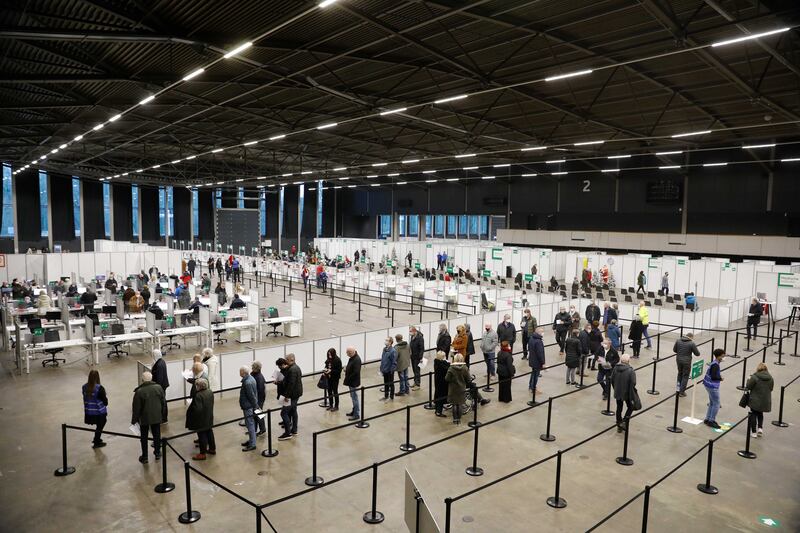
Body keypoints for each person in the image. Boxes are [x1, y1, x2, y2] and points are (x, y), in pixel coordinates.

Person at [131, 371, 166, 464]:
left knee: (144, 437)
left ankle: (145, 456)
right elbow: (163, 403)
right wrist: (162, 415)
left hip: (144, 418)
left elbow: (136, 408)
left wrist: (134, 421)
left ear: (142, 380)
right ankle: (158, 453)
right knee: (157, 435)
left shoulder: (139, 392)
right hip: (156, 416)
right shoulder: (159, 388)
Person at [186, 378, 215, 460]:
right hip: (209, 416)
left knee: (201, 435)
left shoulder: (198, 395)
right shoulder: (210, 392)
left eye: (197, 385)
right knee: (209, 432)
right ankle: (212, 449)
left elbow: (197, 409)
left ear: (200, 386)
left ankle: (202, 453)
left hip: (201, 419)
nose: (196, 386)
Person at [745, 362, 774, 438]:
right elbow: (771, 389)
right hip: (765, 400)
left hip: (755, 399)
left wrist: (748, 380)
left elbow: (748, 387)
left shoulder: (754, 377)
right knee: (760, 413)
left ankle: (754, 432)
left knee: (753, 414)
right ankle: (760, 428)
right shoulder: (770, 378)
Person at [278, 354, 302, 439]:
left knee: (284, 413)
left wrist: (287, 396)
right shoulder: (296, 368)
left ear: (291, 360)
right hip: (295, 394)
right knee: (293, 411)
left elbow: (291, 384)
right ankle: (294, 430)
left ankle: (288, 433)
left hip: (291, 395)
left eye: (286, 360)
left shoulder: (292, 370)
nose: (285, 361)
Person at [82, 370, 108, 449]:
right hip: (99, 412)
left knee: (99, 426)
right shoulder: (99, 388)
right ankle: (96, 441)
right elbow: (105, 402)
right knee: (101, 425)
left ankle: (97, 439)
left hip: (89, 412)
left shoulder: (84, 387)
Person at [612, 354, 637, 432]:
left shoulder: (615, 368)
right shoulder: (630, 370)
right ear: (628, 361)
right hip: (627, 392)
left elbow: (612, 379)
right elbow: (633, 382)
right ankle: (624, 421)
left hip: (617, 391)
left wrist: (615, 388)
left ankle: (619, 424)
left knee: (619, 408)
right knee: (630, 407)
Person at [703, 349, 726, 429]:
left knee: (712, 402)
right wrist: (720, 378)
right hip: (712, 386)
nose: (724, 357)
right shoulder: (715, 365)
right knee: (717, 404)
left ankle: (708, 418)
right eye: (723, 356)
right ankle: (711, 421)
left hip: (707, 385)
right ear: (719, 356)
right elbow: (713, 377)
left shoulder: (714, 363)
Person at [445, 353, 470, 424]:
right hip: (461, 388)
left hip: (453, 389)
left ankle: (455, 419)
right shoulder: (465, 368)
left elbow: (447, 378)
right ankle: (459, 418)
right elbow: (468, 379)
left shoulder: (451, 368)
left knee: (454, 404)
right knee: (459, 404)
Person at [673, 332, 700, 396]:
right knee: (685, 376)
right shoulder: (691, 343)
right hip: (687, 362)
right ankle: (681, 392)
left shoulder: (678, 340)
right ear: (691, 337)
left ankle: (678, 388)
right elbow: (697, 354)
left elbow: (674, 350)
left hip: (678, 360)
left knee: (680, 374)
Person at [239, 366, 258, 451]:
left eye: (240, 371)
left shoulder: (247, 383)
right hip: (249, 405)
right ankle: (251, 440)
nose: (239, 373)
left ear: (244, 372)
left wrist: (256, 406)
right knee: (250, 424)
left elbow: (251, 396)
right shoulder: (251, 378)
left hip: (248, 406)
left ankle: (252, 444)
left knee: (250, 424)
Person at [526, 327, 545, 405]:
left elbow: (529, 348)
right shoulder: (538, 341)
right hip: (537, 361)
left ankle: (531, 386)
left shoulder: (531, 338)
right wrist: (543, 363)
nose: (543, 333)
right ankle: (533, 388)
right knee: (536, 375)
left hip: (532, 359)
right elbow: (540, 353)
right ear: (538, 332)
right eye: (542, 332)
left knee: (533, 373)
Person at [343, 347, 362, 421]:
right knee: (353, 397)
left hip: (353, 382)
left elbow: (356, 372)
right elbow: (352, 368)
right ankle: (354, 411)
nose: (347, 354)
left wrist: (348, 376)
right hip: (351, 381)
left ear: (351, 352)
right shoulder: (353, 358)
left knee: (354, 398)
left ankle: (356, 414)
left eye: (347, 353)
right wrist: (347, 369)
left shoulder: (356, 359)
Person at [380, 337, 398, 401]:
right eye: (385, 340)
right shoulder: (384, 349)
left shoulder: (393, 351)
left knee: (391, 384)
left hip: (390, 371)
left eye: (387, 340)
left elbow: (394, 362)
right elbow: (383, 360)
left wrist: (391, 370)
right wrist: (381, 369)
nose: (385, 341)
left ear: (390, 342)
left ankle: (391, 397)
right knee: (386, 383)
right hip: (384, 370)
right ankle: (386, 396)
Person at [251, 361, 267, 435]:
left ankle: (262, 429)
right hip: (256, 398)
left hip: (259, 399)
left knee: (259, 413)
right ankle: (254, 429)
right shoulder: (253, 374)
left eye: (253, 367)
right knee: (255, 415)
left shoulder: (259, 377)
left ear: (256, 368)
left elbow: (260, 390)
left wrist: (256, 401)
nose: (252, 368)